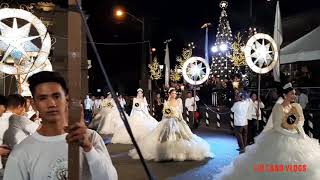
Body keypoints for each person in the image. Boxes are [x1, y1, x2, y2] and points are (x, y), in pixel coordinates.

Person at [3, 71, 117, 180]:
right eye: (43, 98)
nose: (51, 104)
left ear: (66, 100)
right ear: (34, 104)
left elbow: (109, 178)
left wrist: (88, 148)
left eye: (56, 96)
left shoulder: (91, 138)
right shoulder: (21, 152)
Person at [215, 83, 320, 180]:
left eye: (294, 94)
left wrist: (300, 132)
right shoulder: (279, 107)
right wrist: (292, 135)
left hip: (296, 136)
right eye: (291, 94)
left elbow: (299, 121)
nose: (294, 95)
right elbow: (277, 127)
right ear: (284, 94)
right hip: (281, 138)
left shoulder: (295, 106)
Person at [128, 88, 213, 161]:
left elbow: (179, 111)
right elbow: (165, 112)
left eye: (175, 93)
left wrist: (180, 118)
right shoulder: (167, 102)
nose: (174, 94)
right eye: (173, 93)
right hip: (169, 120)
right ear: (170, 94)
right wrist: (171, 115)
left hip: (178, 120)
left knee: (185, 135)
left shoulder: (177, 101)